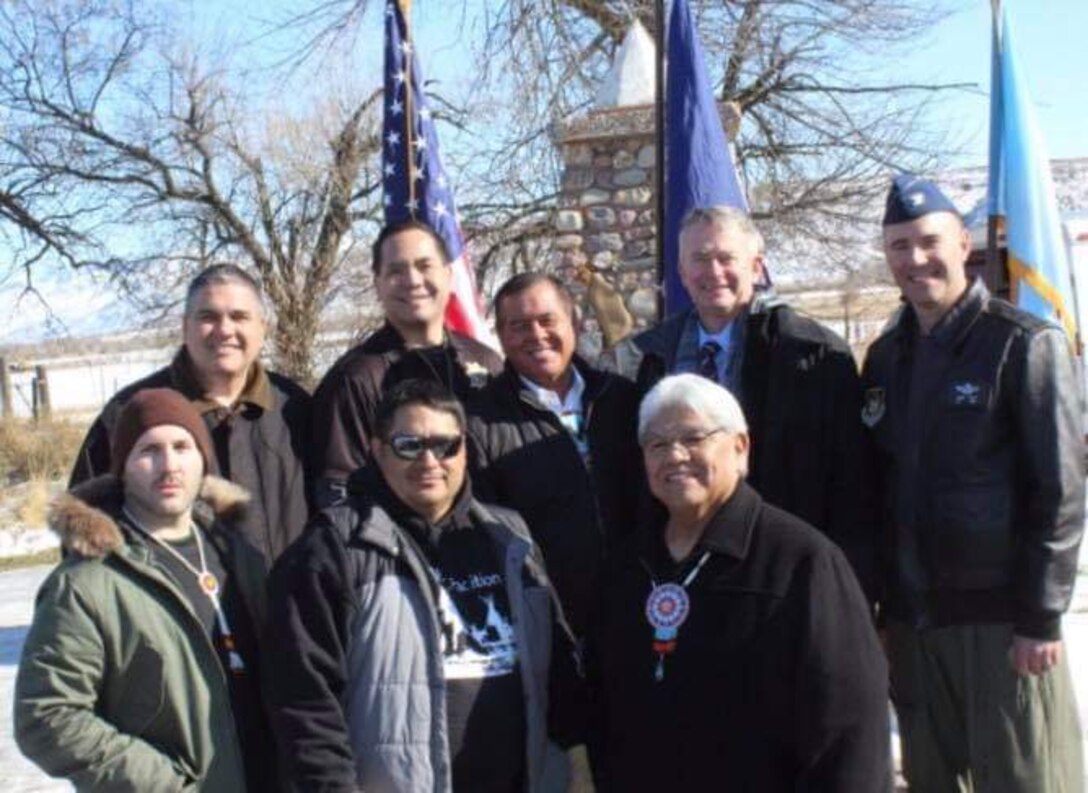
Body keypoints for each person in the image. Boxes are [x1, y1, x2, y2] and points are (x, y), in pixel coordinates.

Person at [863, 173, 1085, 790]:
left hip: (1003, 626)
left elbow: (1060, 492)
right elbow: (880, 490)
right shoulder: (885, 358)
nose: (915, 259)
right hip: (914, 625)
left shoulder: (1021, 343)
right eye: (899, 246)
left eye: (929, 241)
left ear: (963, 244)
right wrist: (883, 610)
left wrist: (1040, 617)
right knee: (934, 781)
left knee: (1027, 777)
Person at [266, 379, 577, 792]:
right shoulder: (333, 548)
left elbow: (558, 668)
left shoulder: (511, 538)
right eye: (409, 445)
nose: (430, 461)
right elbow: (305, 703)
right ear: (377, 450)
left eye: (445, 445)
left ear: (465, 449)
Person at [586, 374, 890, 791]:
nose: (675, 455)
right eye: (657, 444)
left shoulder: (801, 561)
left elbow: (850, 733)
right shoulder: (627, 568)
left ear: (741, 447)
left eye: (694, 438)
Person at [16, 388, 275, 791]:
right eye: (148, 451)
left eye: (181, 446)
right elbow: (46, 716)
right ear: (123, 468)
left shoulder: (240, 556)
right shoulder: (87, 584)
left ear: (202, 460)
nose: (169, 465)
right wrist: (165, 785)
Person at [608, 206, 875, 592]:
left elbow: (852, 482)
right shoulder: (648, 361)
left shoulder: (811, 356)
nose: (713, 272)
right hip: (686, 575)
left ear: (756, 266)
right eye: (699, 260)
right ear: (682, 273)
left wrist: (855, 588)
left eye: (725, 258)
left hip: (784, 572)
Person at [70, 263, 311, 565]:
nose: (225, 330)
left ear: (263, 327)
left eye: (239, 316)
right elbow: (83, 530)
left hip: (289, 606)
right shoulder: (132, 414)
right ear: (185, 327)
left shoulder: (295, 408)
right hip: (178, 609)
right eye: (208, 317)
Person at [469, 273, 642, 636]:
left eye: (547, 320)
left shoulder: (624, 400)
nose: (536, 335)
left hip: (641, 607)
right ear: (500, 337)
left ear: (575, 322)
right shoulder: (479, 424)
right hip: (551, 624)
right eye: (518, 326)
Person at [309, 219, 503, 506]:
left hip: (490, 541)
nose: (412, 280)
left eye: (424, 266)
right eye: (396, 271)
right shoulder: (356, 379)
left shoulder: (486, 362)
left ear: (449, 275)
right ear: (377, 284)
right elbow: (339, 491)